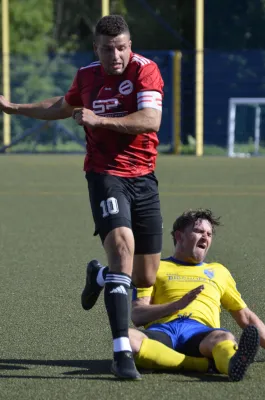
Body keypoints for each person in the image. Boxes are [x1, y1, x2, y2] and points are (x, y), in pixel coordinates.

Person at [0, 15, 164, 380]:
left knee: (146, 275)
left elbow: (151, 120)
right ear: (97, 49)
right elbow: (63, 105)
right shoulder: (87, 75)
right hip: (104, 174)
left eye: (122, 47)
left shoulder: (145, 71)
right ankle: (122, 350)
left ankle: (101, 275)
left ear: (129, 45)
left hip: (144, 178)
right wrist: (14, 108)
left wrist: (99, 120)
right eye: (108, 49)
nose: (116, 55)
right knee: (122, 246)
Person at [127, 208, 265, 381]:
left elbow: (245, 316)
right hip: (163, 331)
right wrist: (176, 306)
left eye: (209, 234)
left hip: (200, 333)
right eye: (199, 231)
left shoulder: (218, 271)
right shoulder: (155, 268)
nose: (205, 237)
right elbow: (138, 315)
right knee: (126, 339)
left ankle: (233, 365)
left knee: (224, 338)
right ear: (179, 236)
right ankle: (207, 365)